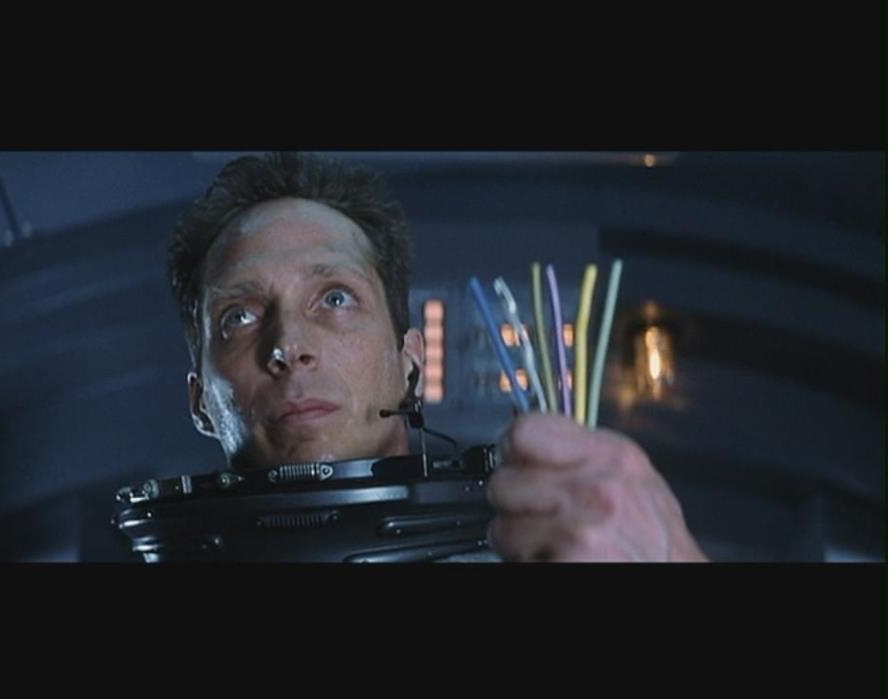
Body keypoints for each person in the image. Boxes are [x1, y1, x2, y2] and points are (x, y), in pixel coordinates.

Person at [167, 152, 708, 562]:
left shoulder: (547, 548)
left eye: (335, 299)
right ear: (199, 400)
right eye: (239, 316)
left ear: (410, 362)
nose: (289, 345)